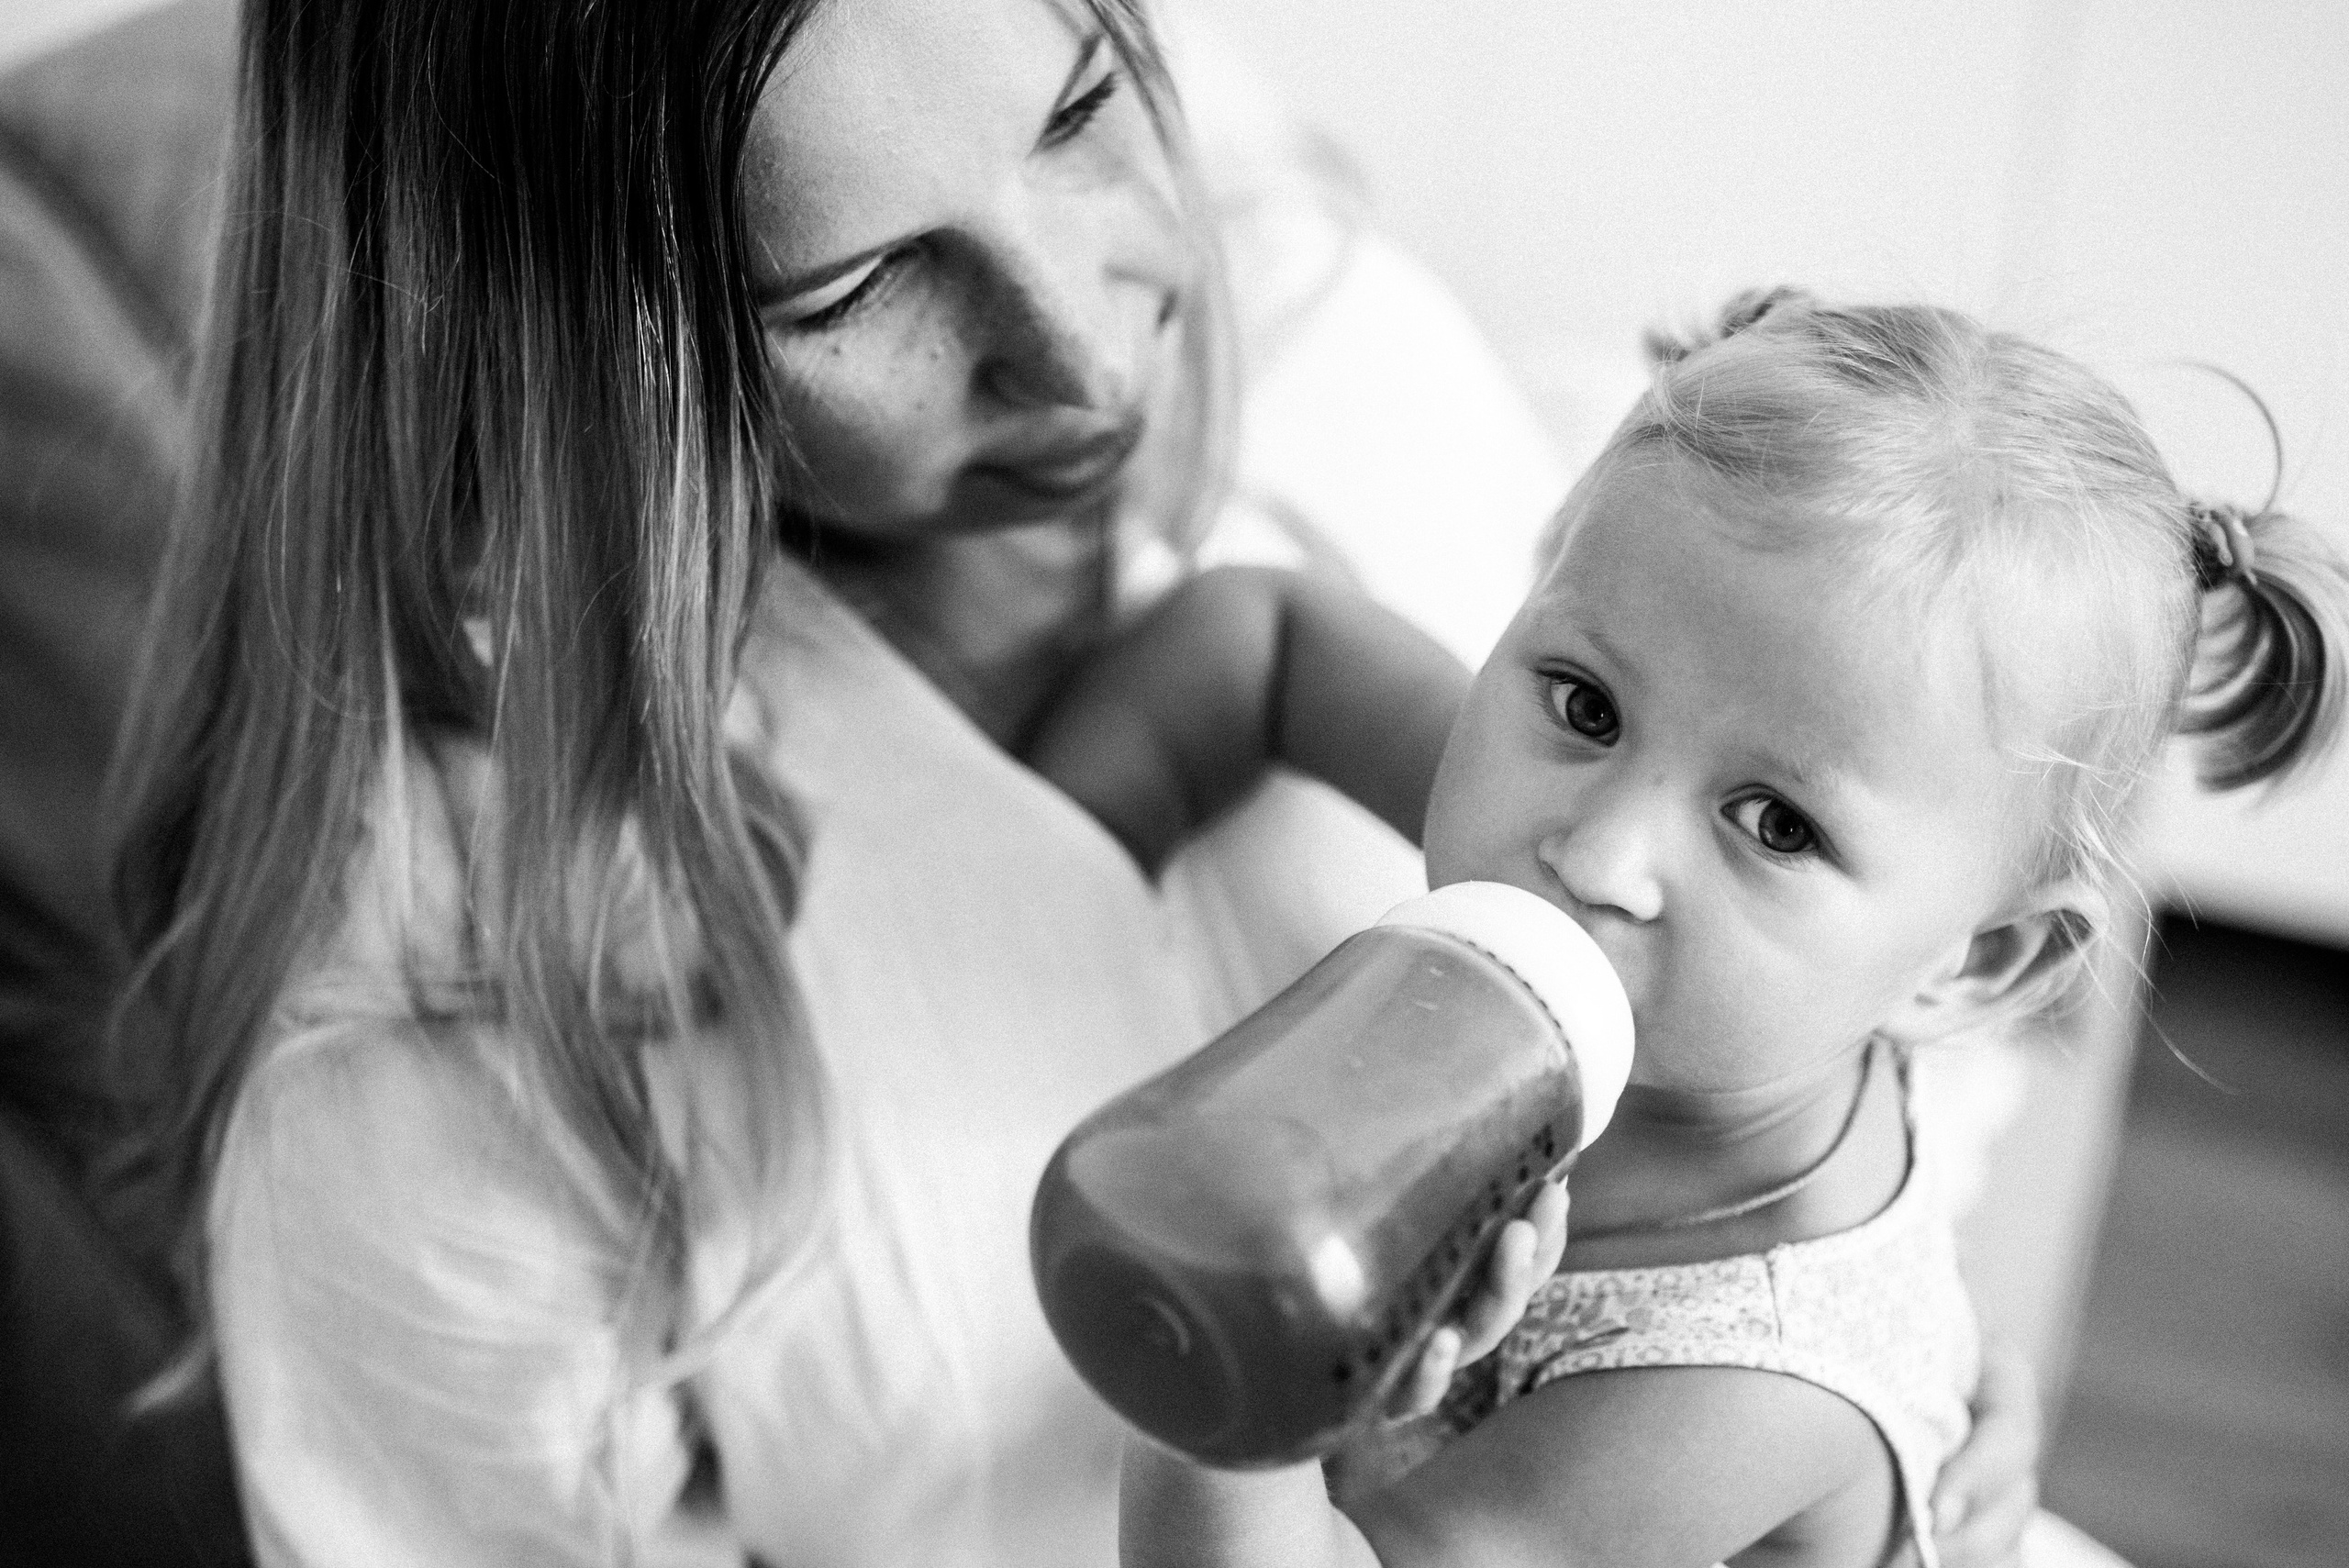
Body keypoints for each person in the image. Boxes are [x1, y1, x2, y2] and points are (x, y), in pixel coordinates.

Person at [102, 0, 2045, 1557]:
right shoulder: (443, 1073)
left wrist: (1855, 1347)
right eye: (853, 287)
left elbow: (1833, 954)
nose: (1087, 351)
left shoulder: (1330, 395)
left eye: (1079, 106)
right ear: (591, 361)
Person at [1036, 292, 2346, 1566]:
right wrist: (1049, 884)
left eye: (1776, 826)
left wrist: (1226, 1387)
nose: (1600, 855)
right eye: (1586, 701)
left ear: (1972, 959)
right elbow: (1259, 637)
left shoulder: (1743, 1380)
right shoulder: (1579, 792)